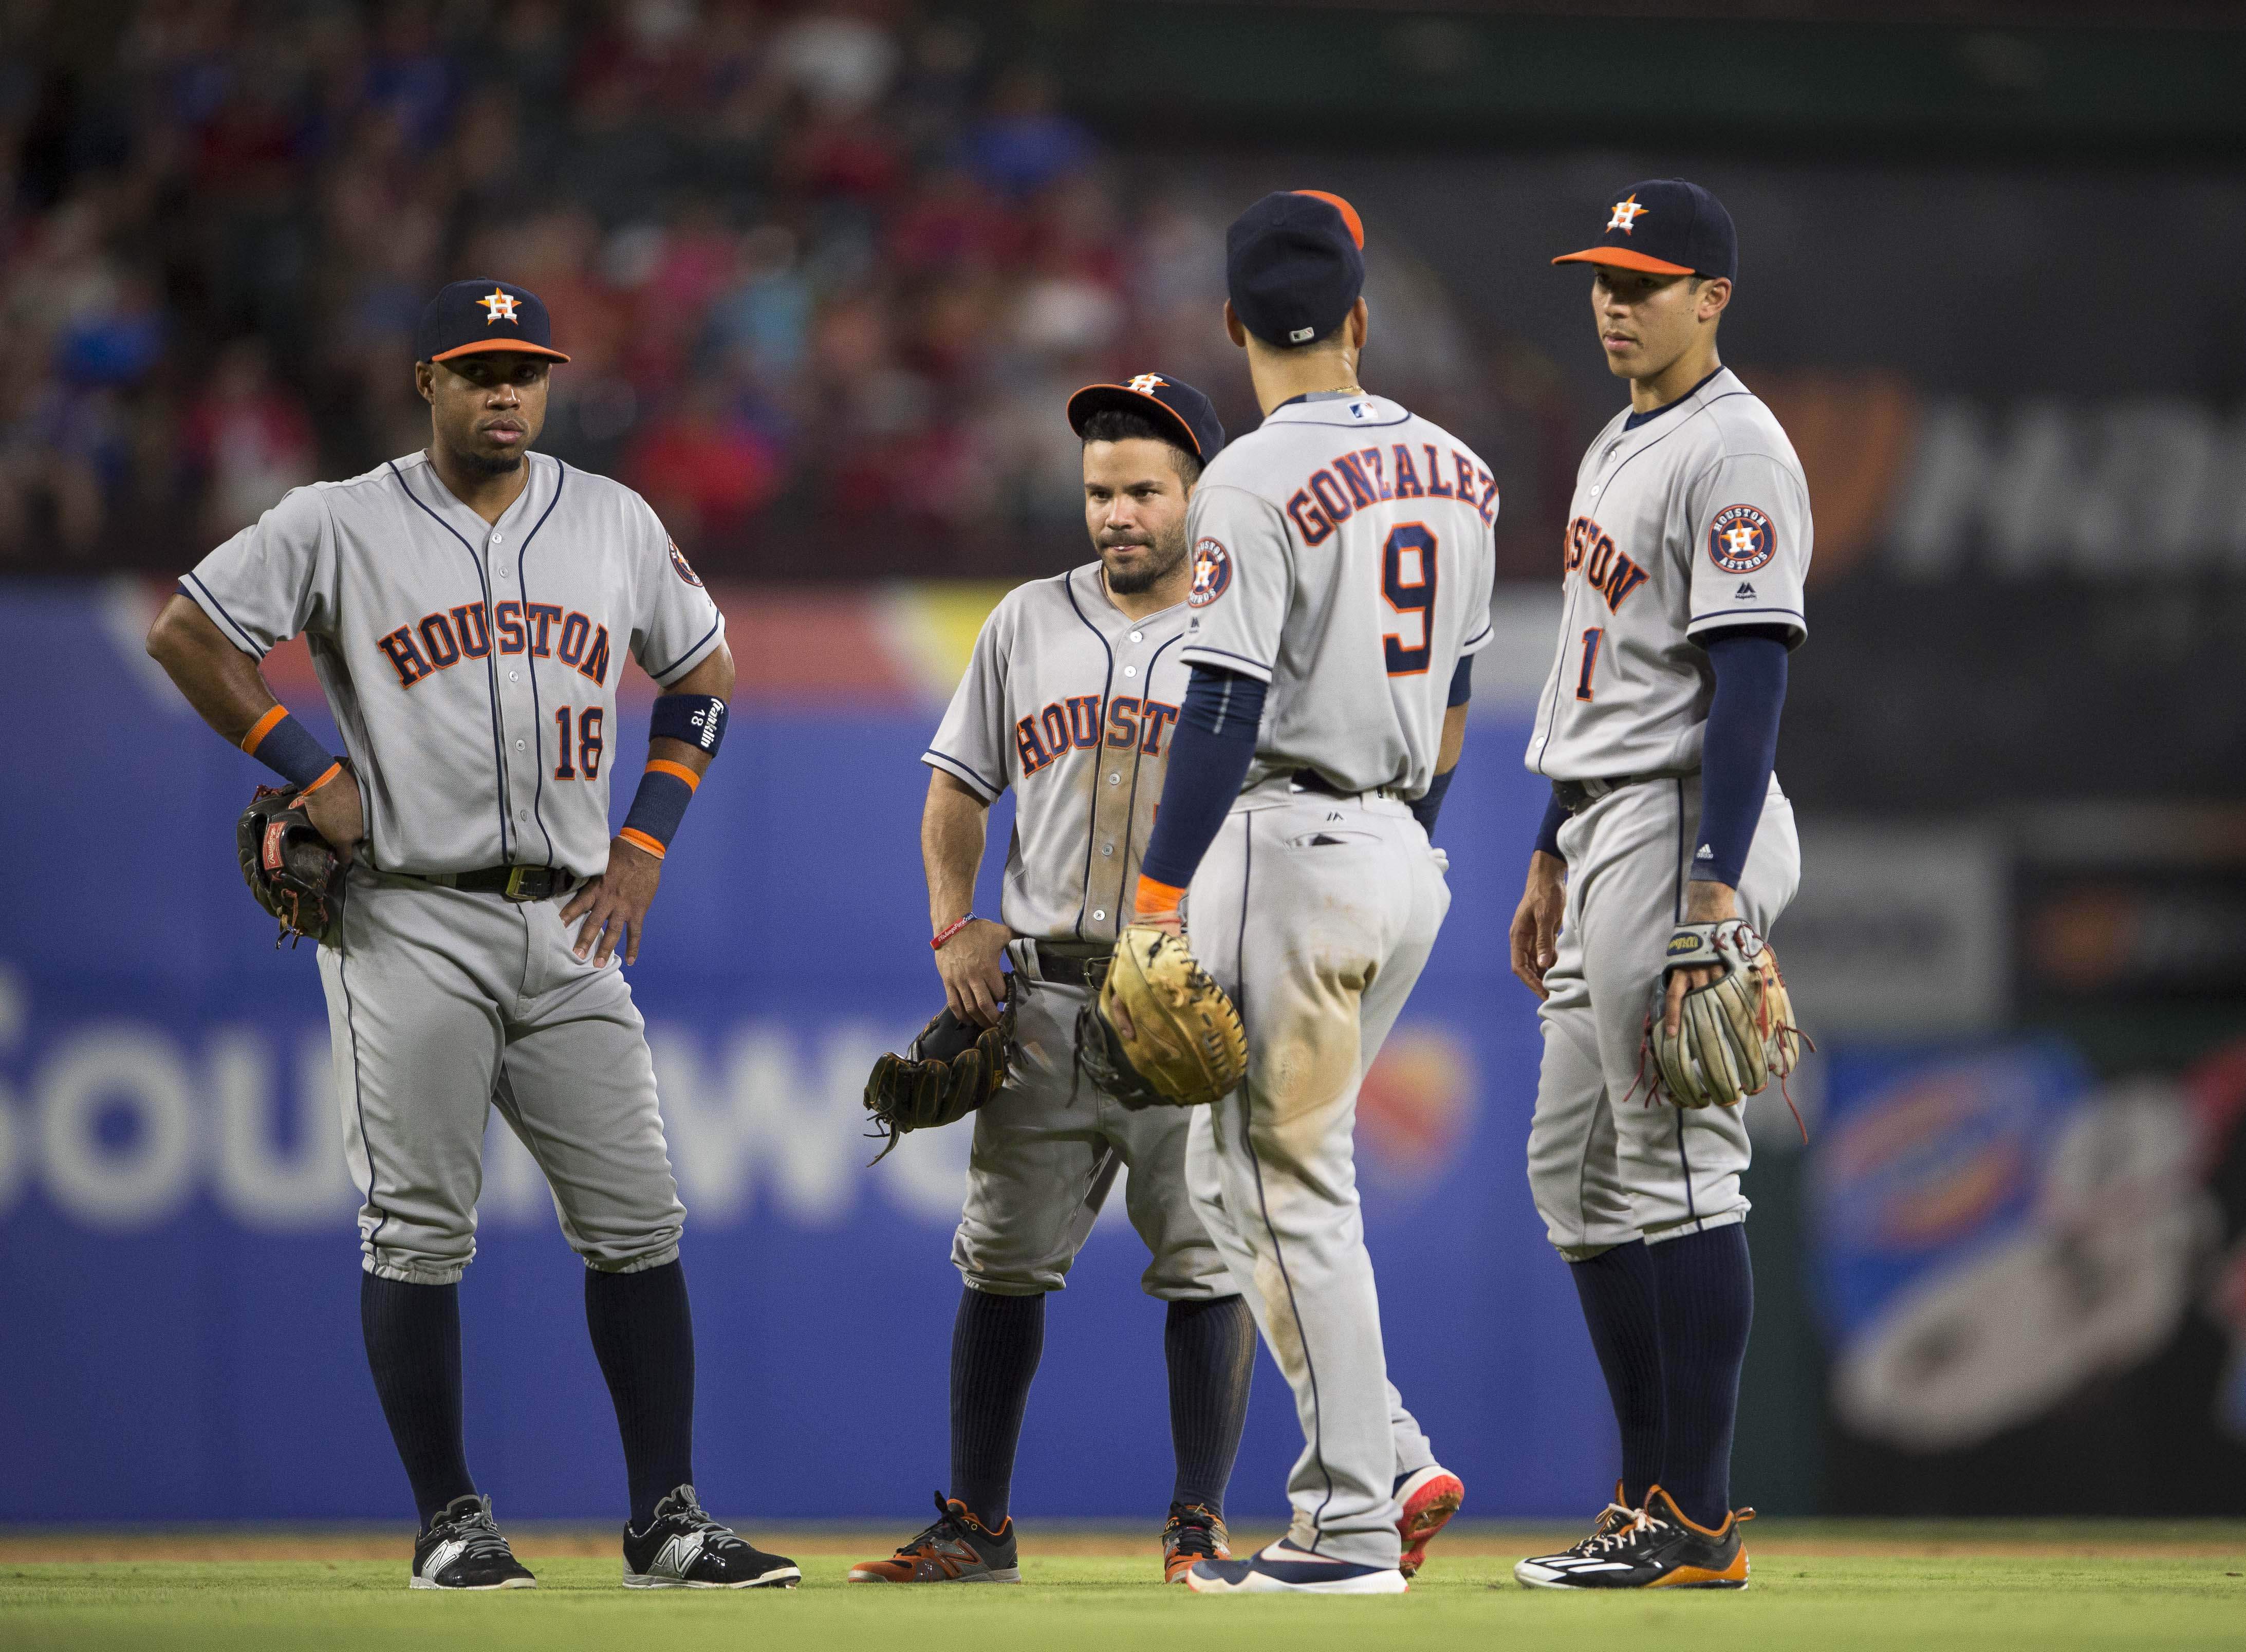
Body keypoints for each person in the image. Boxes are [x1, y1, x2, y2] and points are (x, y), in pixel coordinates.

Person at [143, 280, 796, 1592]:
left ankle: (665, 1520)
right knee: (419, 1231)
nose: (506, 391)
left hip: (569, 913)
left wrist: (646, 842)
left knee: (639, 1221)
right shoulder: (336, 522)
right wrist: (300, 758)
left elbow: (705, 672)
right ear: (426, 382)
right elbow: (187, 632)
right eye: (478, 368)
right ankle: (451, 1520)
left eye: (526, 369)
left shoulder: (611, 519)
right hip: (407, 915)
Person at [1118, 191, 1490, 1595]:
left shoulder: (1253, 480)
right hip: (1400, 849)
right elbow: (1454, 698)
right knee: (1245, 1182)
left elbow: (1220, 704)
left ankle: (1343, 1528)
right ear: (1357, 318)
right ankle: (1385, 1453)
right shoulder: (1460, 468)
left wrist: (1154, 901)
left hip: (1291, 844)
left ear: (1228, 325)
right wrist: (1411, 840)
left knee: (1283, 1184)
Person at [849, 374, 1259, 1587]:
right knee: (1001, 1259)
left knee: (1203, 1261)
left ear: (1198, 494)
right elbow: (955, 789)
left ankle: (1198, 1527)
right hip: (1037, 998)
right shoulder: (1027, 621)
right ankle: (976, 1523)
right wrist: (950, 930)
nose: (1116, 513)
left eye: (1142, 490)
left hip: (1184, 1002)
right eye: (1099, 491)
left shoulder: (1245, 634)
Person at [1508, 180, 1809, 1590]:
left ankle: (1695, 1513)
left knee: (1681, 1166)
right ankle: (1644, 1498)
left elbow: (1747, 682)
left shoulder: (1734, 446)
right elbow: (1591, 670)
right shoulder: (1617, 440)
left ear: (1713, 296)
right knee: (1571, 1173)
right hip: (1602, 819)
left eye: (1646, 279)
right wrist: (1544, 844)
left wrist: (1711, 894)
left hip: (1686, 817)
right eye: (1602, 278)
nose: (1615, 301)